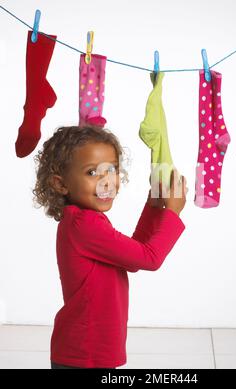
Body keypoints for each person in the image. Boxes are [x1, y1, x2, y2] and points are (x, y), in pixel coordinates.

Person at [32, 125, 188, 369]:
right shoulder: (85, 225)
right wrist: (173, 212)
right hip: (84, 353)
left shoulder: (84, 220)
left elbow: (135, 255)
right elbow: (150, 259)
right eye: (92, 172)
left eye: (112, 169)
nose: (106, 181)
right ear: (61, 184)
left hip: (89, 349)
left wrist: (155, 205)